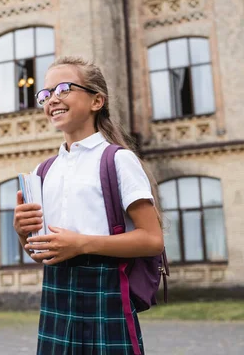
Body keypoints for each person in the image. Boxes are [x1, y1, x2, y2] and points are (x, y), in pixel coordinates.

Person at [13, 56, 164, 354]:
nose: (52, 99)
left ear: (97, 100)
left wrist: (81, 244)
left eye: (64, 88)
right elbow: (41, 254)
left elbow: (152, 239)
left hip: (105, 293)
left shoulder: (118, 160)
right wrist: (23, 233)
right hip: (57, 296)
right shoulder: (44, 171)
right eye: (45, 94)